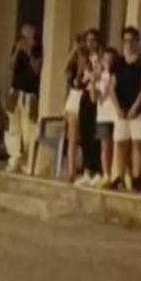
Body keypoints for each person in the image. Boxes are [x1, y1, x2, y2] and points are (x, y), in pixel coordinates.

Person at [110, 27, 141, 191]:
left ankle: (137, 177)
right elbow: (111, 87)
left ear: (137, 42)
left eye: (131, 40)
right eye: (125, 40)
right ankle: (118, 175)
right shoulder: (118, 63)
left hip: (139, 109)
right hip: (122, 107)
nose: (128, 44)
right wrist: (118, 108)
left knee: (138, 144)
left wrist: (135, 107)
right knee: (120, 142)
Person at [6, 23, 42, 173]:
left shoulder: (37, 49)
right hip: (16, 91)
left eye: (27, 33)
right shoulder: (18, 47)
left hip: (29, 94)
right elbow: (11, 65)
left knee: (28, 129)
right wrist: (17, 51)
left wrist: (27, 51)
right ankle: (14, 157)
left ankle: (28, 159)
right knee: (13, 127)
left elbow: (36, 70)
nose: (24, 36)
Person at [78, 28, 104, 184]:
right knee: (85, 133)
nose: (90, 44)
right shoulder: (85, 60)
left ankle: (97, 170)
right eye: (87, 41)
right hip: (85, 96)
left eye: (93, 40)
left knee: (96, 134)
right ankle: (87, 169)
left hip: (98, 98)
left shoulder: (101, 59)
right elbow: (78, 81)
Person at [91, 46, 119, 188]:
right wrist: (93, 81)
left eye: (110, 59)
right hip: (102, 115)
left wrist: (106, 71)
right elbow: (93, 98)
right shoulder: (100, 77)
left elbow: (110, 90)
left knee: (116, 145)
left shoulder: (115, 75)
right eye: (105, 59)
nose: (107, 62)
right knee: (104, 145)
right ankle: (106, 173)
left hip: (115, 114)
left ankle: (116, 174)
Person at [63, 34, 87, 182]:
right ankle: (71, 169)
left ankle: (84, 167)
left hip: (86, 99)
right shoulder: (73, 66)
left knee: (84, 137)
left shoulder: (92, 63)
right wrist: (74, 51)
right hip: (74, 98)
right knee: (72, 138)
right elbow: (65, 69)